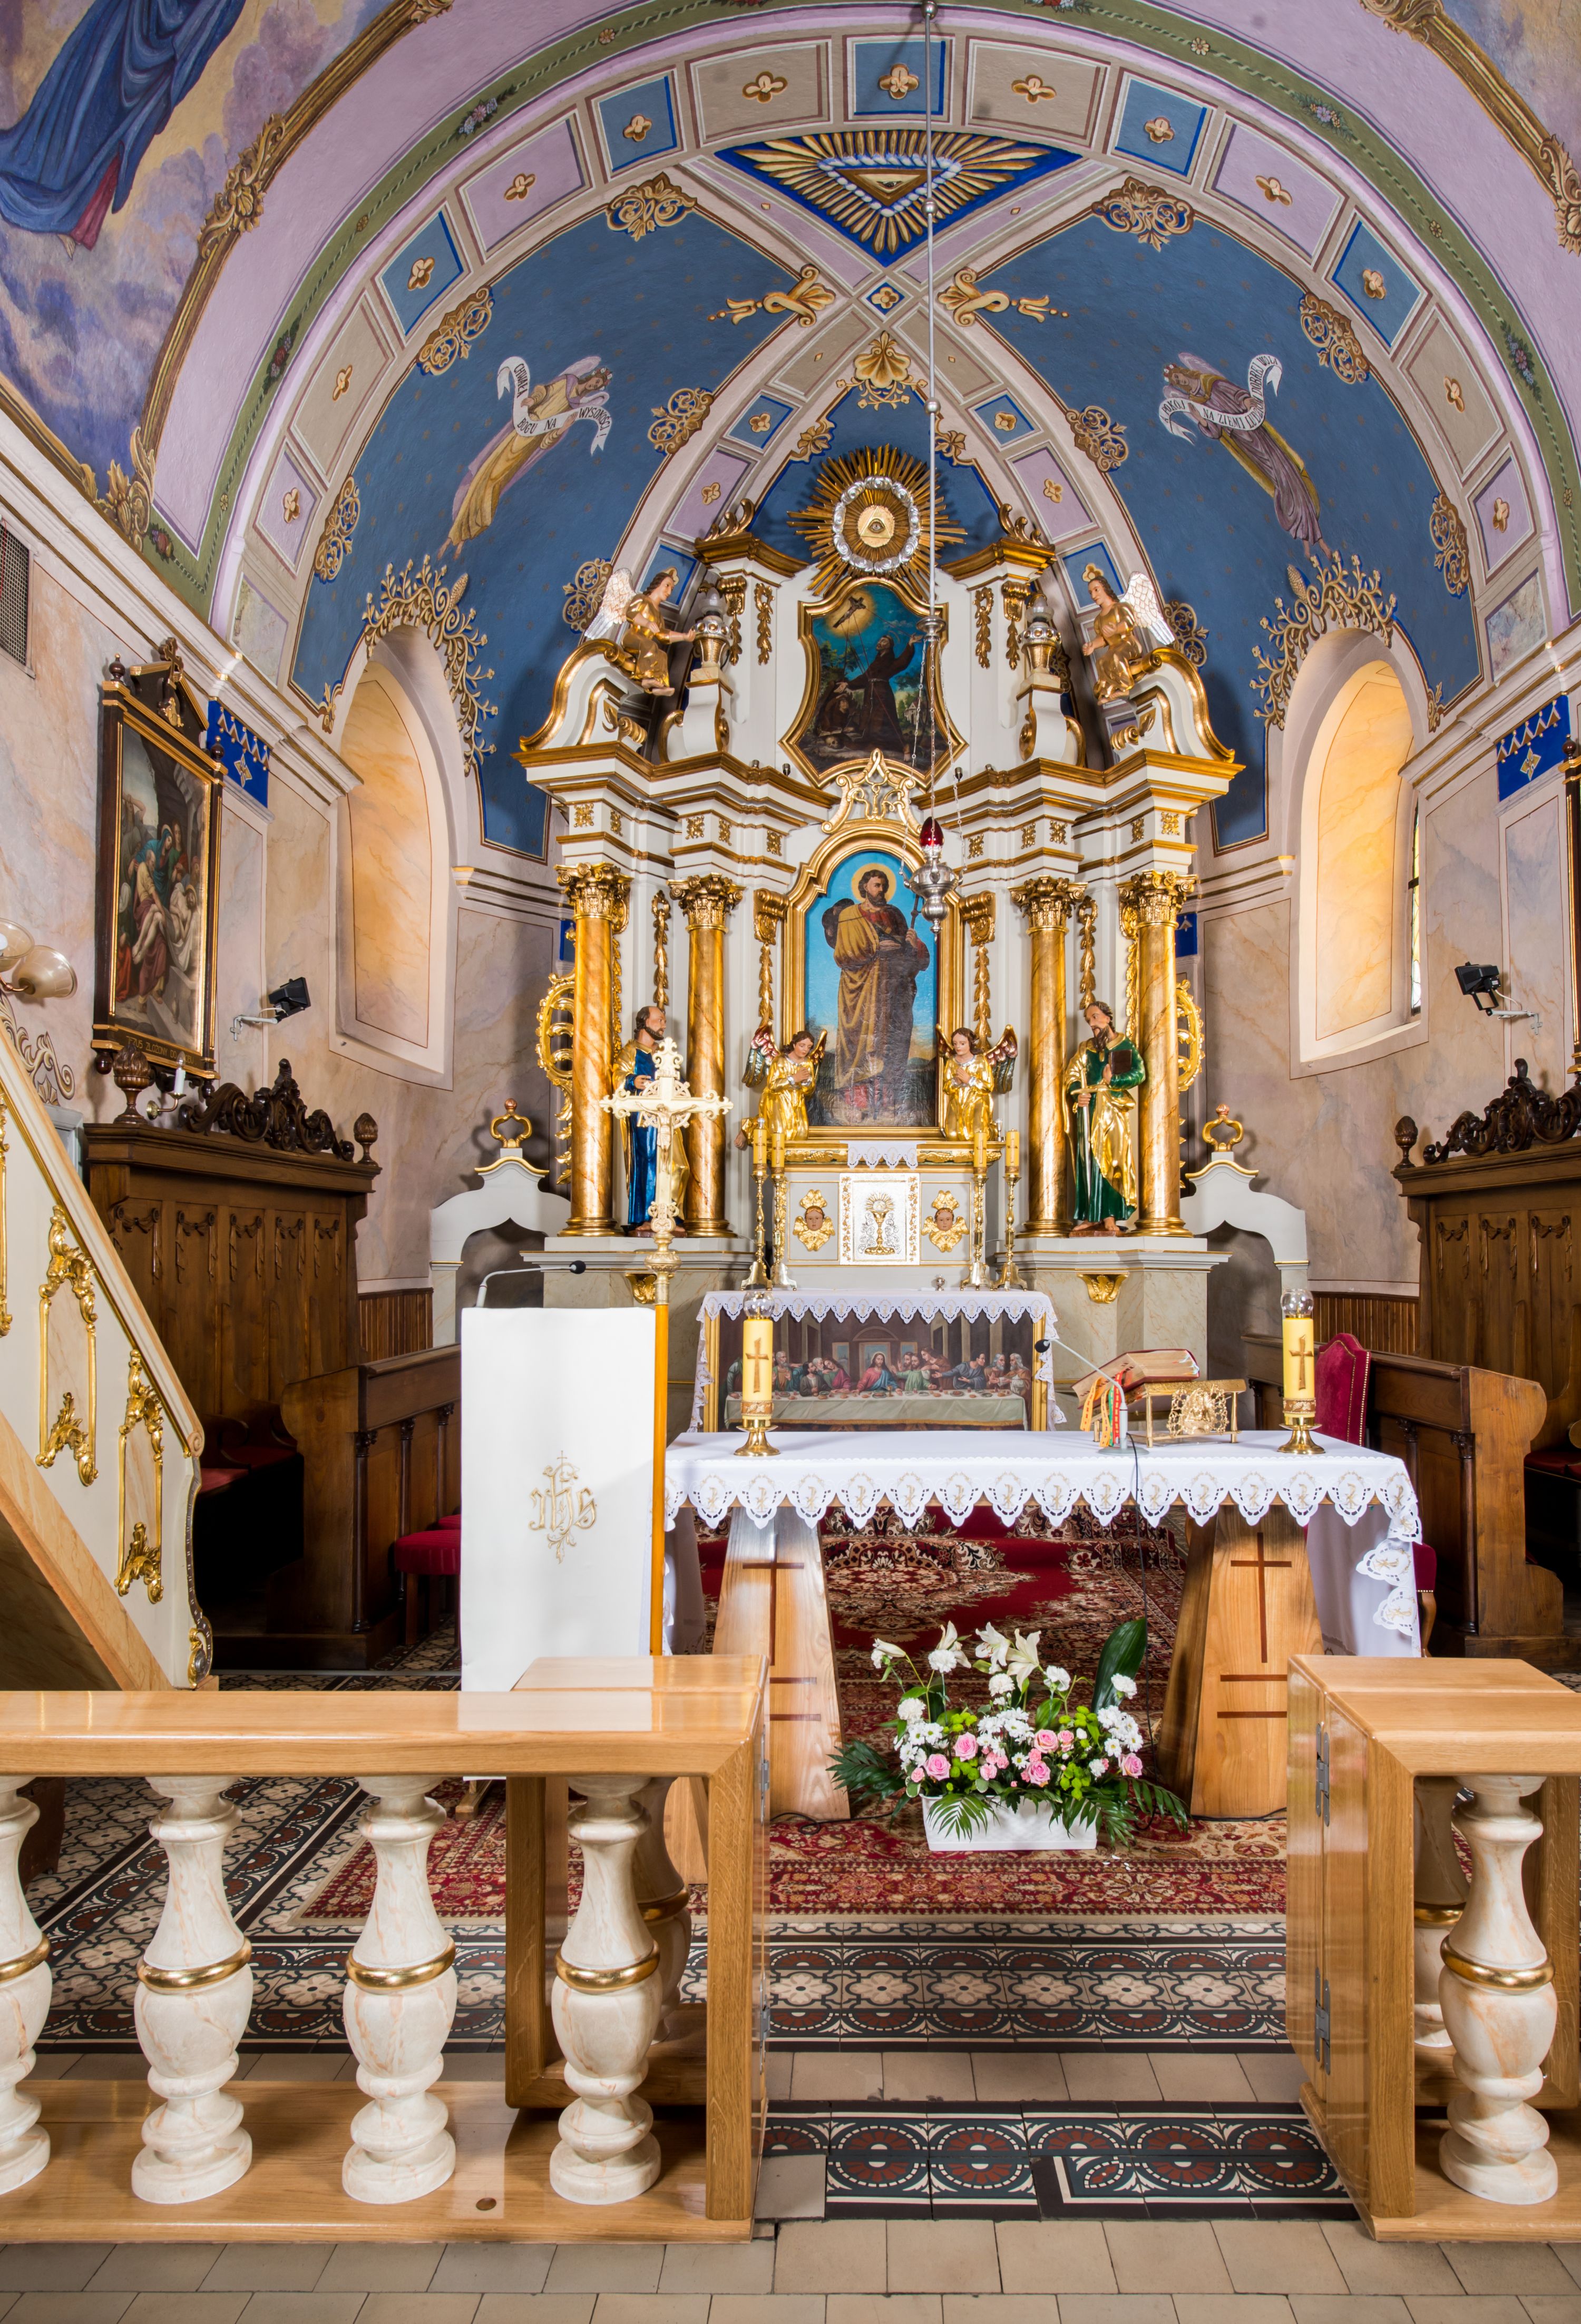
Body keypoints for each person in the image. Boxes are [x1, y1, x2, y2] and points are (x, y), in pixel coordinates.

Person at [824, 865, 929, 1110]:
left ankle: (887, 1102)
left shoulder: (895, 914)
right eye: (876, 885)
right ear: (864, 887)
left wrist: (913, 944)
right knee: (859, 1044)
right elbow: (843, 953)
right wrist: (876, 949)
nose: (881, 890)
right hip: (860, 989)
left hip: (892, 989)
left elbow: (913, 956)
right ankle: (859, 1104)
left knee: (891, 1042)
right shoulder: (850, 916)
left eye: (884, 885)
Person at [1066, 998, 1145, 1232]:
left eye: (1095, 1018)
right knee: (1088, 1159)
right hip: (1089, 1110)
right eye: (1089, 1020)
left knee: (1112, 1161)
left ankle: (1110, 1215)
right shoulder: (1085, 1048)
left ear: (1108, 1018)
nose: (1092, 1024)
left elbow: (1140, 1074)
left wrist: (1115, 1081)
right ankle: (1091, 1216)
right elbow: (1072, 1075)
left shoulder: (1124, 1045)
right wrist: (1077, 1094)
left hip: (1113, 1111)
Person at [614, 1003, 688, 1235]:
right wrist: (631, 1081)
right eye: (659, 1020)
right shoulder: (631, 1051)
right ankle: (647, 1217)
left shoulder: (665, 1054)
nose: (663, 1025)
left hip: (669, 1119)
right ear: (645, 1022)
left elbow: (679, 1083)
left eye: (664, 1021)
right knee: (648, 1164)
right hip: (643, 1120)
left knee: (678, 1165)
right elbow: (617, 1077)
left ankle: (672, 1216)